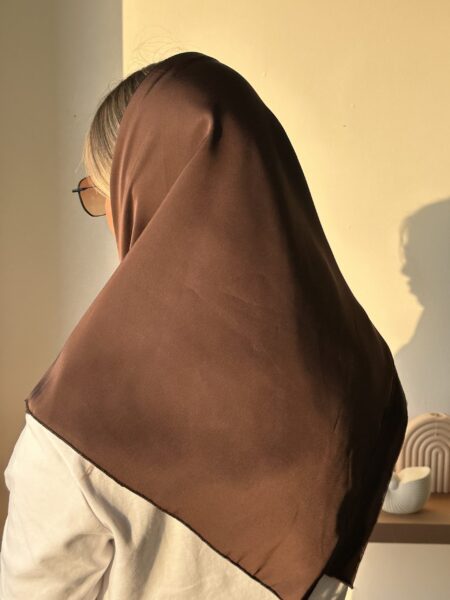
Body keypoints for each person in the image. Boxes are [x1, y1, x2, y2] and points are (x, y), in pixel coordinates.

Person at [0, 51, 408, 600]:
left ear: (141, 191)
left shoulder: (76, 421)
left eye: (101, 193)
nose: (109, 220)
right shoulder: (367, 379)